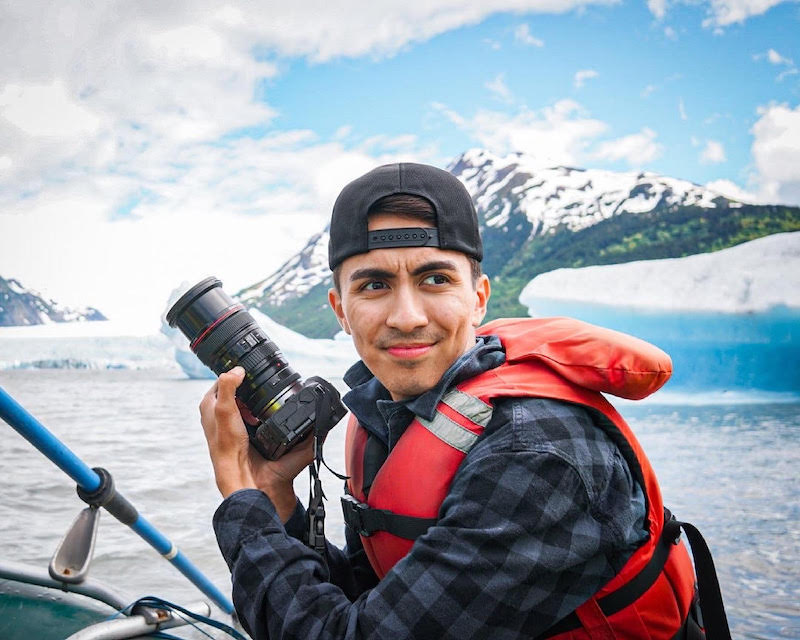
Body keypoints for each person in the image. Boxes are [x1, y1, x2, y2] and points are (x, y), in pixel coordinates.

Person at [199, 163, 703, 640]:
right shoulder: (390, 418)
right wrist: (276, 499)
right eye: (375, 285)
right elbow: (374, 604)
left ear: (479, 298)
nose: (408, 316)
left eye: (434, 279)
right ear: (341, 311)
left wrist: (242, 499)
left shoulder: (535, 452)